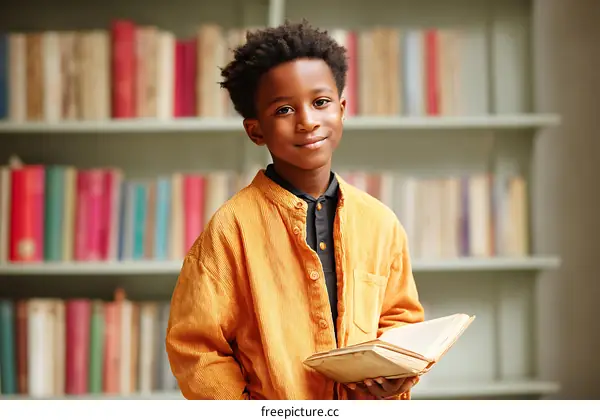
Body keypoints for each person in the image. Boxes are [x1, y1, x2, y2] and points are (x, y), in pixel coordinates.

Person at [165, 20, 425, 400]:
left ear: (342, 109)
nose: (307, 121)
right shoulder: (230, 228)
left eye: (320, 103)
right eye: (284, 109)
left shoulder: (380, 222)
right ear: (256, 131)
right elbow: (196, 348)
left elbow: (400, 319)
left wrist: (397, 375)